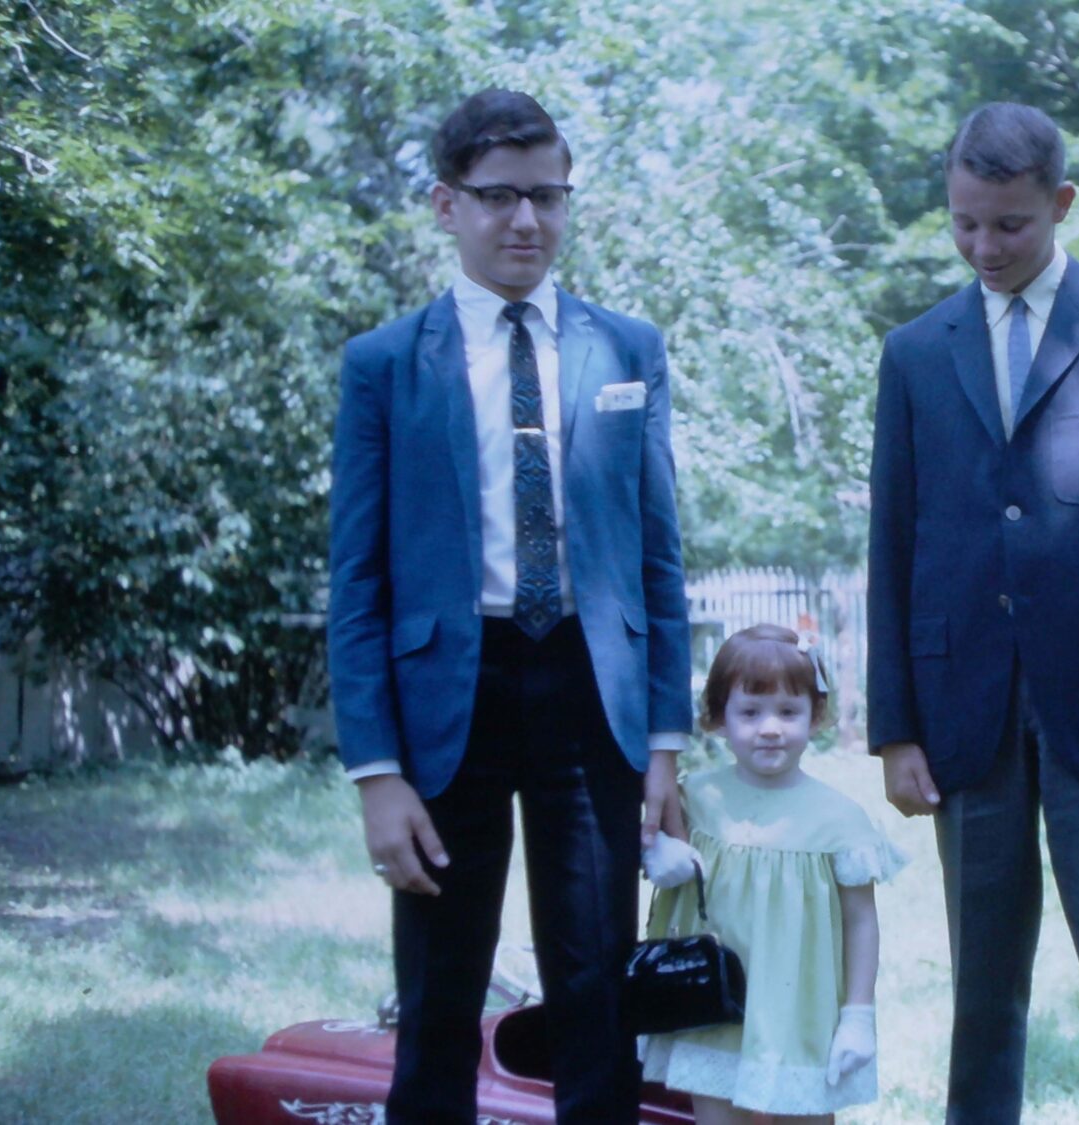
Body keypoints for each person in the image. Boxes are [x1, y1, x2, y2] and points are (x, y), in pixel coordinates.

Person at [326, 89, 694, 1123]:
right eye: (498, 198)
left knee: (595, 993)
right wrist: (376, 774)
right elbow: (354, 578)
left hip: (591, 692)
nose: (525, 220)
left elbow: (657, 556)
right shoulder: (386, 366)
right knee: (440, 998)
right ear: (446, 206)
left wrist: (663, 738)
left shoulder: (626, 349)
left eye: (547, 196)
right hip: (451, 700)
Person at [865, 103, 1079, 1125]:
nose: (983, 246)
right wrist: (894, 729)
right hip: (960, 714)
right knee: (981, 994)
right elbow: (890, 547)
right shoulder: (914, 353)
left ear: (1059, 205)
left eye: (1009, 225)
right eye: (964, 223)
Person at [640, 624, 906, 1124]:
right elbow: (647, 842)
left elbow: (860, 921)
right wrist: (657, 848)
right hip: (710, 1010)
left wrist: (857, 1015)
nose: (770, 728)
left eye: (788, 711)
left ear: (816, 714)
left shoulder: (839, 820)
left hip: (801, 1014)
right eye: (750, 711)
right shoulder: (694, 799)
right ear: (719, 717)